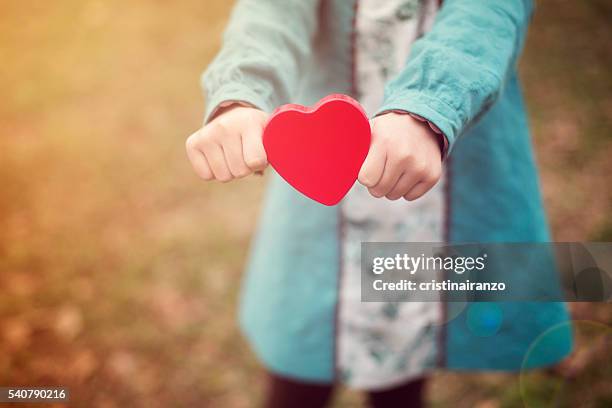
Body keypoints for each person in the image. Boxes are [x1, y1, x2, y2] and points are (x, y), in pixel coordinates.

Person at [186, 0, 573, 407]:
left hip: (433, 180)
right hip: (320, 189)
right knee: (299, 355)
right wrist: (241, 94)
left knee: (406, 342)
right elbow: (271, 14)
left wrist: (426, 108)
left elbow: (487, 14)